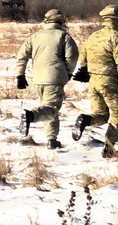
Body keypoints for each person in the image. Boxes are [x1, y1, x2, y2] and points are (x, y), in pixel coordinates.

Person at [70, 4, 118, 158]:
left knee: (101, 115)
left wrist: (88, 71)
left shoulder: (94, 36)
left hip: (93, 82)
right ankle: (109, 149)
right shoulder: (116, 37)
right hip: (109, 81)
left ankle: (85, 120)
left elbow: (82, 59)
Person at [15, 8, 79, 149]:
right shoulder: (64, 36)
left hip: (38, 79)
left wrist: (20, 75)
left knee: (48, 108)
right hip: (55, 78)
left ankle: (52, 139)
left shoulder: (34, 37)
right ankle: (31, 116)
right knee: (52, 108)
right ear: (61, 21)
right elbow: (72, 57)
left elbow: (22, 56)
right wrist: (68, 72)